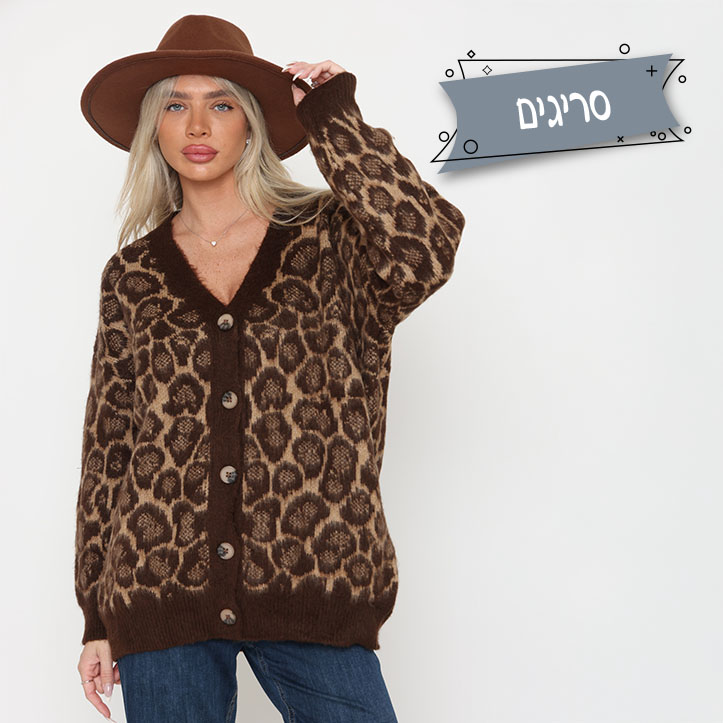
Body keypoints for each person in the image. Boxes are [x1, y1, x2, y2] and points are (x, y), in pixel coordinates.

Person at [74, 14, 466, 723]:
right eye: (175, 104)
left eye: (222, 104)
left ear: (252, 125)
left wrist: (335, 121)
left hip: (317, 577)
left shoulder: (333, 240)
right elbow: (110, 447)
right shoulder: (132, 275)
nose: (198, 124)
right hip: (159, 589)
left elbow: (426, 247)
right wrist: (96, 616)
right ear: (153, 129)